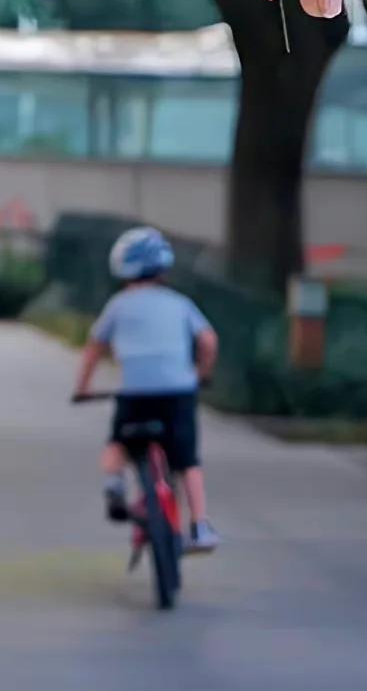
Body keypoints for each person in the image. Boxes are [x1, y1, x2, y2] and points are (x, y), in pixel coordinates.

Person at [72, 225, 221, 553]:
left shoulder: (118, 305)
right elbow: (209, 340)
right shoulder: (180, 303)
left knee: (118, 445)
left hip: (136, 395)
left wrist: (82, 388)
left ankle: (114, 486)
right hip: (178, 394)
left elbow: (94, 348)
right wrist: (201, 374)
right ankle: (200, 527)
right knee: (187, 462)